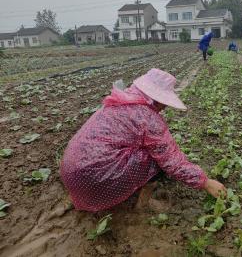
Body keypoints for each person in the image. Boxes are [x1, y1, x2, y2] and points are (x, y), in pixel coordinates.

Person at [60, 69, 226, 212]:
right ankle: (143, 204)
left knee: (143, 149)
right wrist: (205, 182)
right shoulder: (148, 119)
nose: (165, 106)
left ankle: (79, 194)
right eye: (164, 101)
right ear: (156, 98)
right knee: (156, 160)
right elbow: (171, 162)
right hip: (97, 179)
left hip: (71, 171)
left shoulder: (118, 100)